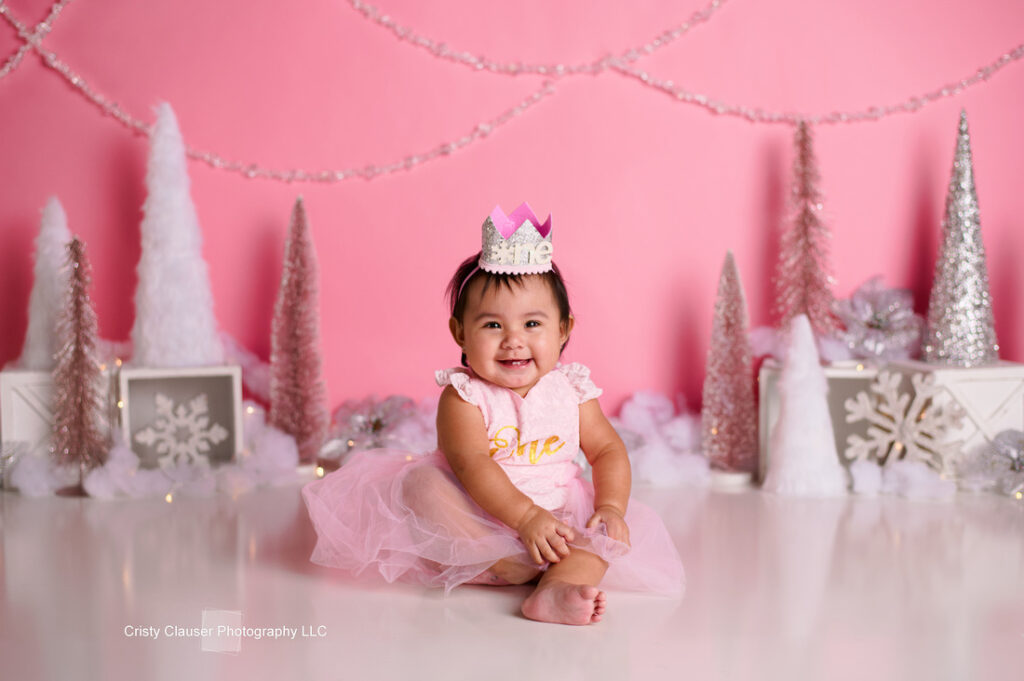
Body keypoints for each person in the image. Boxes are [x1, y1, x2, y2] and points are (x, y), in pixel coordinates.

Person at [302, 203, 683, 625]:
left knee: (600, 541)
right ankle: (504, 564)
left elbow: (608, 449)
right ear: (460, 333)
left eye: (532, 324)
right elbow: (472, 463)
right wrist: (524, 517)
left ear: (563, 330)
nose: (513, 340)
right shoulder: (465, 396)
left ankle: (555, 590)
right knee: (421, 485)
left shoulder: (573, 390)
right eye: (493, 326)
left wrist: (610, 506)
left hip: (558, 515)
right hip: (479, 517)